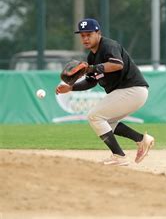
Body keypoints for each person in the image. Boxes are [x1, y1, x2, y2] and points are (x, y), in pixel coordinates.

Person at [56, 18, 155, 166]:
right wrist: (71, 87)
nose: (85, 38)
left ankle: (119, 156)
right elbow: (91, 81)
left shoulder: (108, 45)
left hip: (132, 89)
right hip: (129, 91)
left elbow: (117, 65)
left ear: (98, 33)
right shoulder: (92, 57)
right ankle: (141, 139)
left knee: (94, 116)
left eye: (89, 34)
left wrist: (91, 68)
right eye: (82, 35)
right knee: (107, 122)